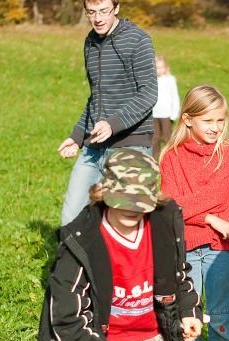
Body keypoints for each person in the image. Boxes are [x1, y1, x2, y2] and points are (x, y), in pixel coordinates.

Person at [36, 149, 203, 341]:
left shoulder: (162, 224)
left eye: (141, 202)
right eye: (123, 199)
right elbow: (66, 311)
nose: (132, 208)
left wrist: (188, 310)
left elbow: (178, 272)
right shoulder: (82, 239)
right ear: (103, 193)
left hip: (148, 336)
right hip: (102, 339)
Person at [159, 84, 229, 341]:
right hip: (185, 247)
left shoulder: (228, 155)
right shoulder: (172, 158)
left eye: (220, 120)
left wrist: (196, 211)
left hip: (220, 248)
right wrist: (210, 219)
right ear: (188, 119)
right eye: (208, 120)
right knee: (187, 315)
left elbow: (215, 196)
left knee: (220, 314)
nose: (216, 127)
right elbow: (169, 207)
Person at [57, 0, 158, 226]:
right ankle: (77, 262)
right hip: (94, 147)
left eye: (104, 11)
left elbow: (149, 93)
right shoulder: (90, 42)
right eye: (91, 12)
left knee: (126, 224)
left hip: (130, 145)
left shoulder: (138, 39)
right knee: (71, 220)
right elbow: (97, 97)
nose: (98, 18)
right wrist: (77, 137)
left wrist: (114, 124)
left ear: (117, 7)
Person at [152, 56, 181, 160]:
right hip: (154, 114)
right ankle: (155, 159)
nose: (158, 70)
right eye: (156, 67)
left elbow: (175, 97)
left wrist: (174, 113)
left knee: (167, 137)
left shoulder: (170, 80)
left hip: (166, 115)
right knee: (154, 138)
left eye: (160, 67)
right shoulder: (151, 80)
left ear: (165, 68)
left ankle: (170, 158)